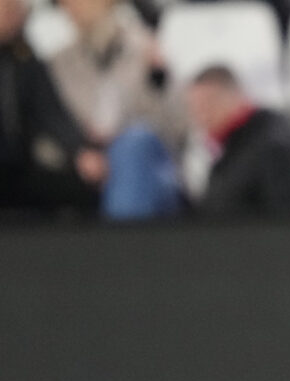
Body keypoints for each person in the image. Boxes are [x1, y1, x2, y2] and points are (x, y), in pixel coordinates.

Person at [50, 0, 185, 219]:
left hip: (150, 169)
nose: (72, 6)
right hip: (87, 172)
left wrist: (158, 80)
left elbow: (179, 130)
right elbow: (48, 131)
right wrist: (81, 152)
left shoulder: (146, 49)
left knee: (133, 145)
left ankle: (119, 247)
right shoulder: (59, 64)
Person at [0, 0, 104, 217]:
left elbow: (51, 113)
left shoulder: (25, 61)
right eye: (7, 9)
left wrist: (80, 150)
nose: (13, 16)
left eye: (15, 10)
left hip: (17, 167)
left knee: (80, 191)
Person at [184, 64, 290, 216]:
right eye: (196, 108)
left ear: (235, 95)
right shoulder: (228, 147)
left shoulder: (274, 143)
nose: (202, 116)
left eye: (209, 104)